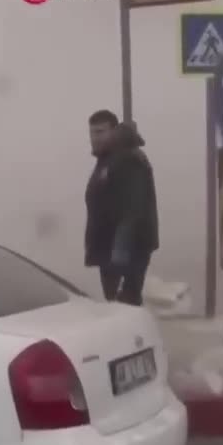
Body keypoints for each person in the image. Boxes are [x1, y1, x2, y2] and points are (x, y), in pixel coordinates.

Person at [84, 110, 159, 306]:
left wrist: (119, 257)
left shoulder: (127, 159)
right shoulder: (108, 159)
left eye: (100, 132)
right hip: (111, 250)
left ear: (114, 131)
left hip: (125, 251)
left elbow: (133, 209)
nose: (95, 138)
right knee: (121, 308)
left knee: (125, 308)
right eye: (92, 132)